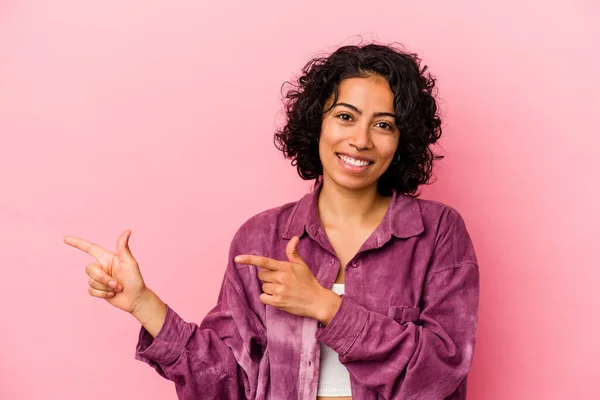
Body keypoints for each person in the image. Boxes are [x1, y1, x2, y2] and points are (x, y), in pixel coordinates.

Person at [64, 42, 480, 400]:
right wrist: (143, 304)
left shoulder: (437, 232)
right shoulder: (261, 237)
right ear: (316, 122)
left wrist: (326, 307)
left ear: (402, 139)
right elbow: (226, 383)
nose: (361, 140)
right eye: (345, 116)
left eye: (383, 124)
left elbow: (440, 373)